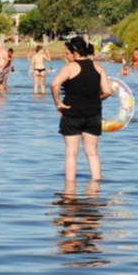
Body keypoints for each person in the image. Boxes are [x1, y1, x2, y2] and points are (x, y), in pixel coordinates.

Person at [51, 37, 112, 183]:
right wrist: (95, 99)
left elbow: (54, 85)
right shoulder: (98, 67)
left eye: (67, 52)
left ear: (74, 52)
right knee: (92, 153)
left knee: (71, 153)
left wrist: (58, 103)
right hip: (93, 114)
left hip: (72, 113)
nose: (66, 56)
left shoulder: (70, 67)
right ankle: (95, 187)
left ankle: (70, 188)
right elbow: (107, 91)